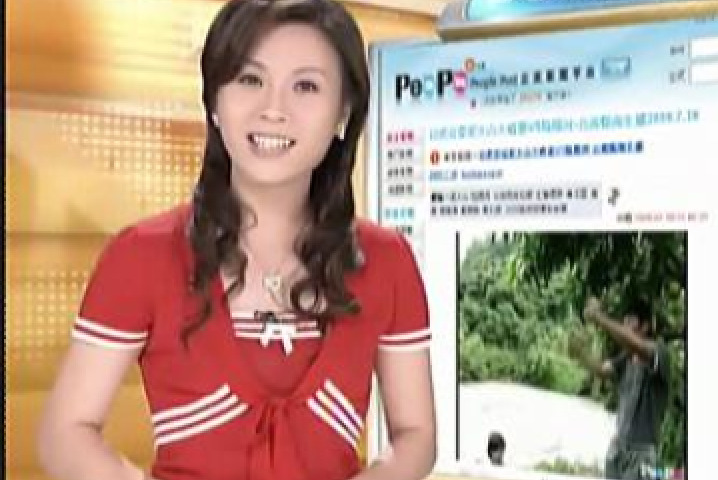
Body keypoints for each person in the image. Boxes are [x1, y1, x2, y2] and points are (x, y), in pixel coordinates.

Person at [37, 2, 436, 480]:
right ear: (214, 102)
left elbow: (416, 434)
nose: (273, 109)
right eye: (250, 79)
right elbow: (65, 433)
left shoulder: (386, 261)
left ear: (344, 114)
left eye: (306, 86)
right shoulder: (141, 255)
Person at [567, 297, 670, 480]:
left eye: (631, 321)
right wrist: (581, 355)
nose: (625, 325)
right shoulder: (626, 357)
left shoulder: (659, 353)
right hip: (618, 447)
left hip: (642, 454)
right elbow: (602, 370)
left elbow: (637, 346)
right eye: (625, 320)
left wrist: (599, 317)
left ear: (645, 326)